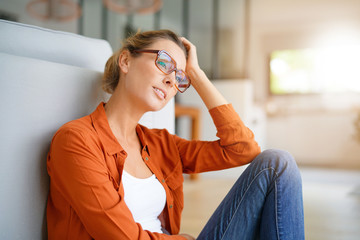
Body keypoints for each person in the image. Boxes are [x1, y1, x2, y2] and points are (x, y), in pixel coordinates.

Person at [46, 29, 304, 240]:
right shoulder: (76, 141)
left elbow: (243, 149)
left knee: (276, 163)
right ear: (125, 61)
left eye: (180, 77)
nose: (172, 80)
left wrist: (198, 76)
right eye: (164, 62)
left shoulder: (161, 144)